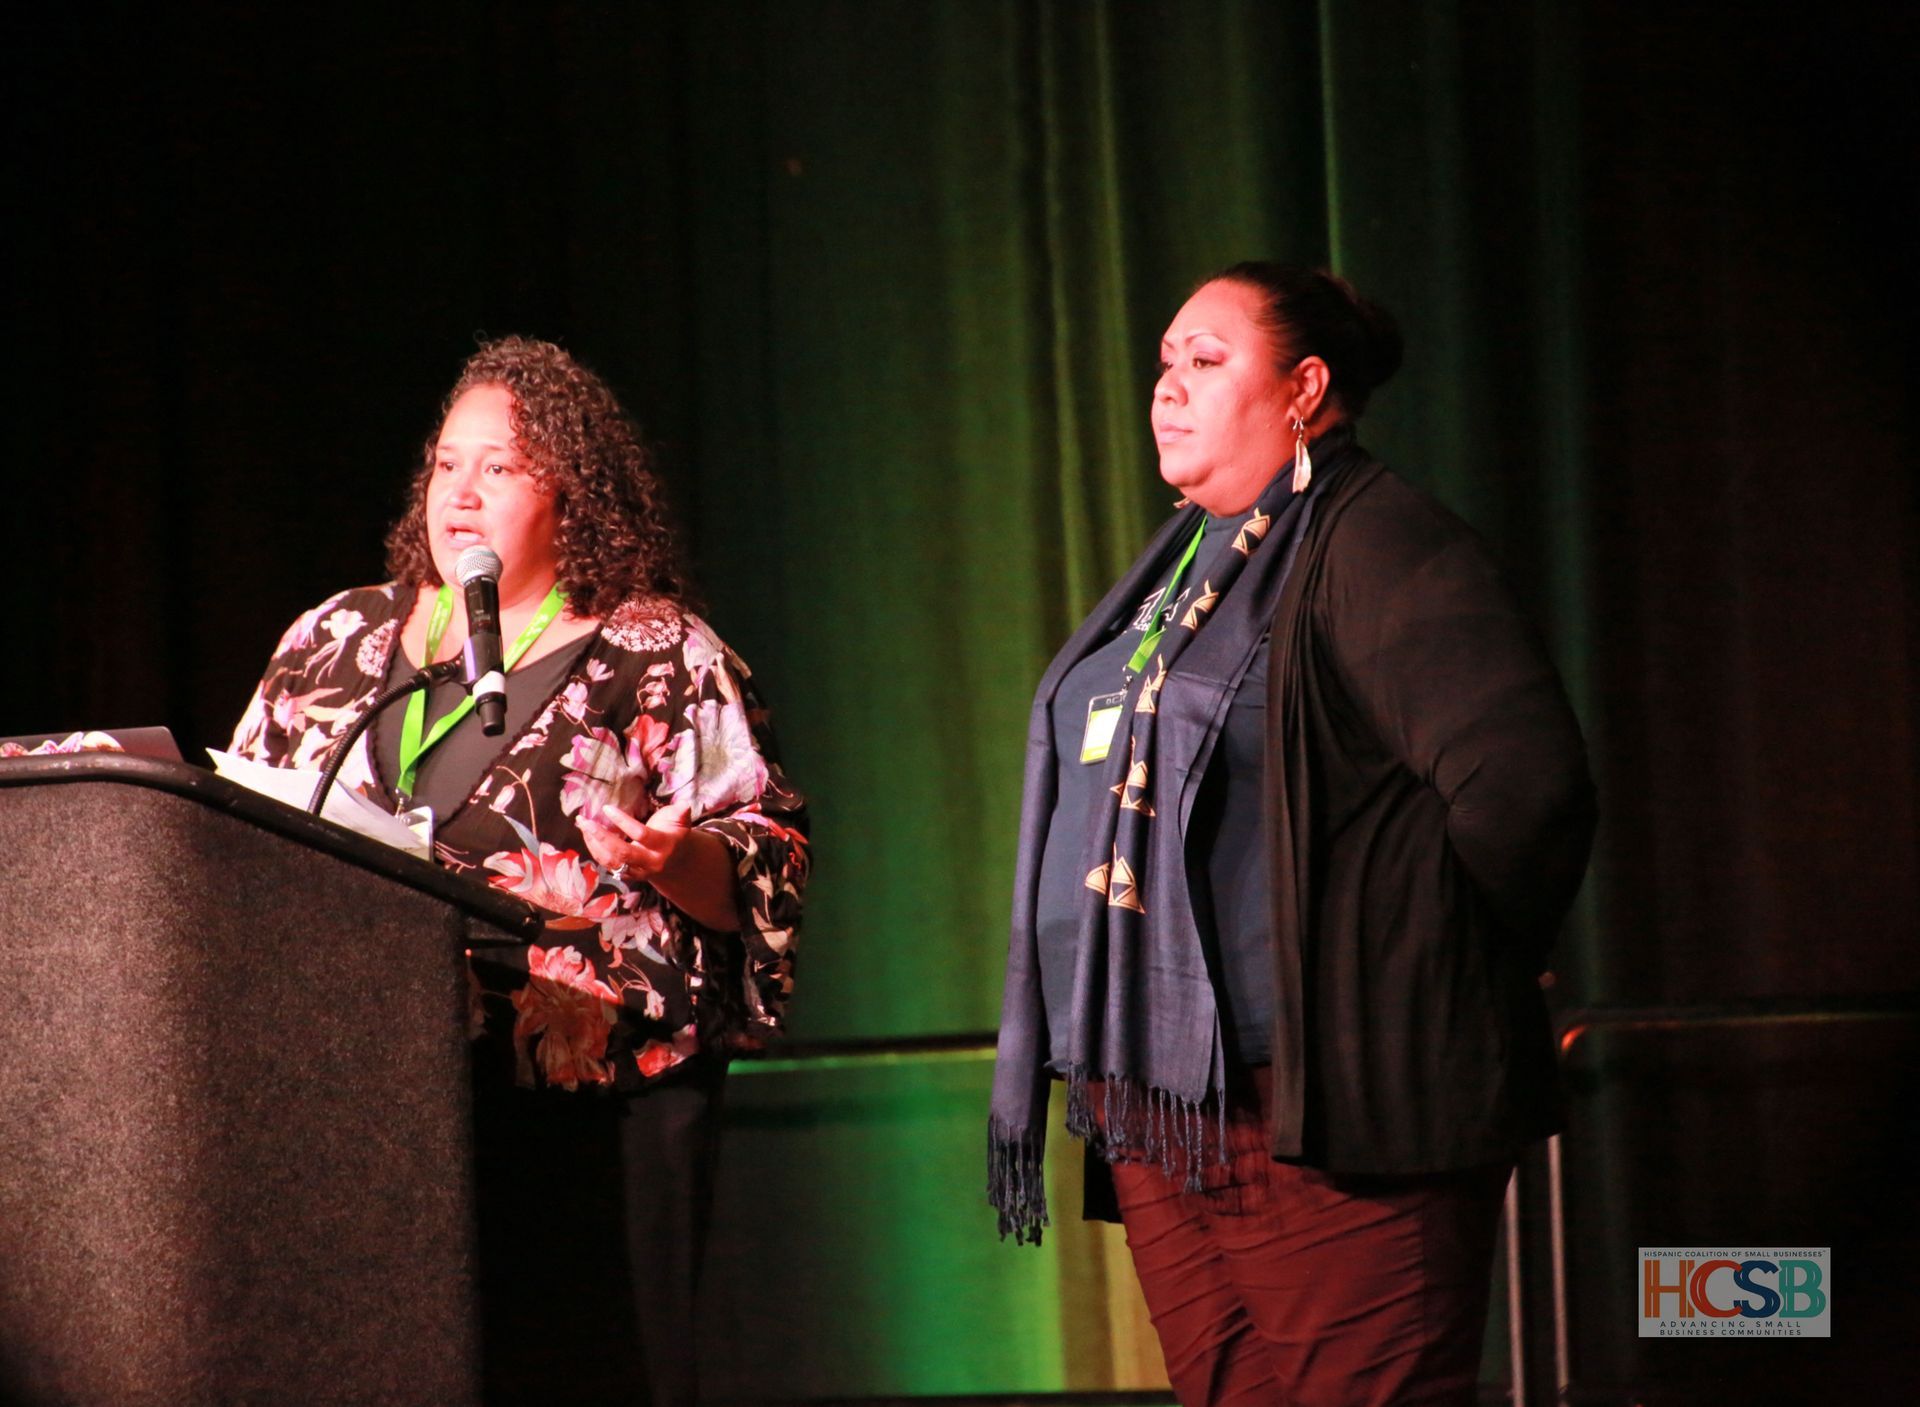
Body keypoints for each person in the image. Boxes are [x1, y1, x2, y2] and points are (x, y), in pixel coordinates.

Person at [989, 264, 1594, 1406]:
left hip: (1327, 1103)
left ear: (1306, 388)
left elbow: (1527, 790)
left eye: (1206, 361)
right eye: (1165, 362)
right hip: (1168, 1104)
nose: (1168, 387)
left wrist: (1432, 972)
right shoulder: (1185, 566)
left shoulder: (1378, 542)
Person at [230, 336, 809, 1406]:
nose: (461, 493)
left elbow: (767, 853)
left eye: (499, 467)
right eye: (447, 464)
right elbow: (236, 819)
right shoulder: (335, 639)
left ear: (571, 495)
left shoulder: (656, 654)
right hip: (369, 1094)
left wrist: (677, 858)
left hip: (592, 1101)